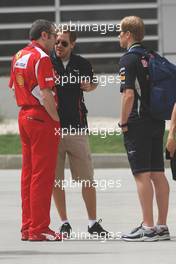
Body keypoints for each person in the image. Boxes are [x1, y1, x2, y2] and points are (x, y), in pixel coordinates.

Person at [51, 26, 109, 238]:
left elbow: (94, 83)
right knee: (56, 180)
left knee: (86, 179)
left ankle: (92, 223)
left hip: (77, 129)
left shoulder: (82, 63)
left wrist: (90, 86)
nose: (58, 46)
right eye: (56, 42)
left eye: (64, 43)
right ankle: (64, 223)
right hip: (52, 130)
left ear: (73, 44)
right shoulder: (47, 62)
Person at [9, 19, 62, 241]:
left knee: (29, 175)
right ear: (44, 35)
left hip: (24, 116)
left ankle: (28, 227)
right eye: (53, 36)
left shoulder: (19, 55)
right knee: (43, 175)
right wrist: (56, 120)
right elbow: (47, 93)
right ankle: (40, 228)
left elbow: (14, 89)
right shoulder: (42, 58)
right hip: (41, 119)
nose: (56, 41)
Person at [118, 16, 170, 241]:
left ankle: (147, 228)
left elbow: (128, 95)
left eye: (120, 33)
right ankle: (161, 226)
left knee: (141, 175)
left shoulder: (128, 60)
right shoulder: (153, 56)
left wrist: (123, 122)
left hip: (137, 122)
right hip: (157, 121)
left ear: (129, 34)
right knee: (158, 174)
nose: (119, 37)